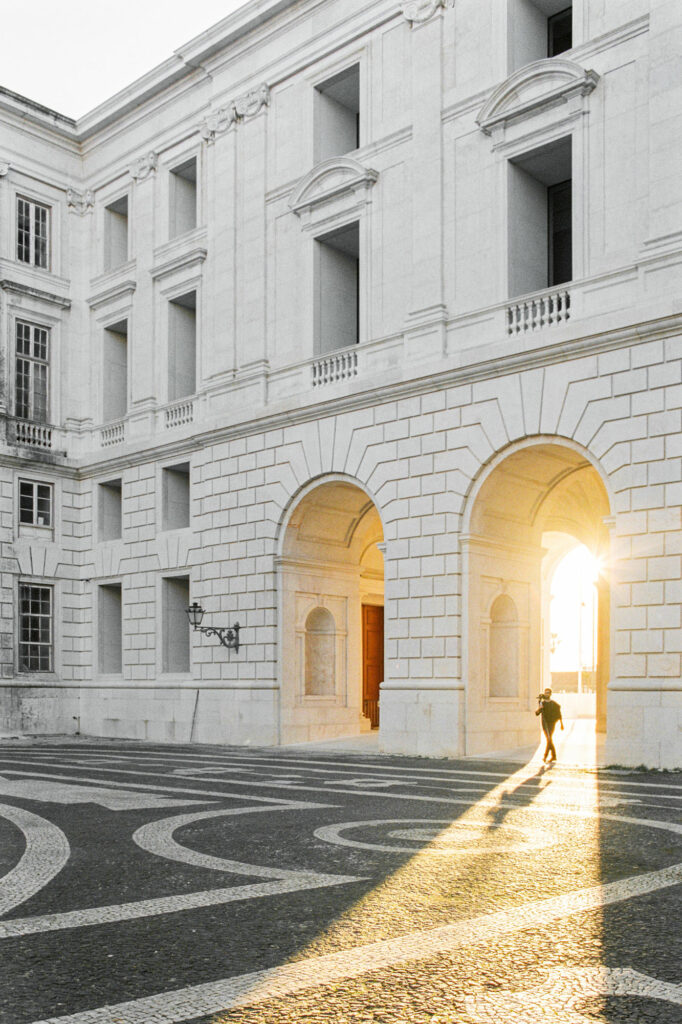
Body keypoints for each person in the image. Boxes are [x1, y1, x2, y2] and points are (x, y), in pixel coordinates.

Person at [535, 687, 563, 763]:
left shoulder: (554, 704)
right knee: (549, 739)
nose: (546, 694)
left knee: (549, 739)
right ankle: (553, 756)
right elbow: (537, 713)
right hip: (544, 723)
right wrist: (539, 707)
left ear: (550, 694)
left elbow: (558, 712)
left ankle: (546, 756)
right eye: (545, 692)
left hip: (551, 723)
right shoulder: (542, 702)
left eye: (548, 692)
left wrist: (561, 723)